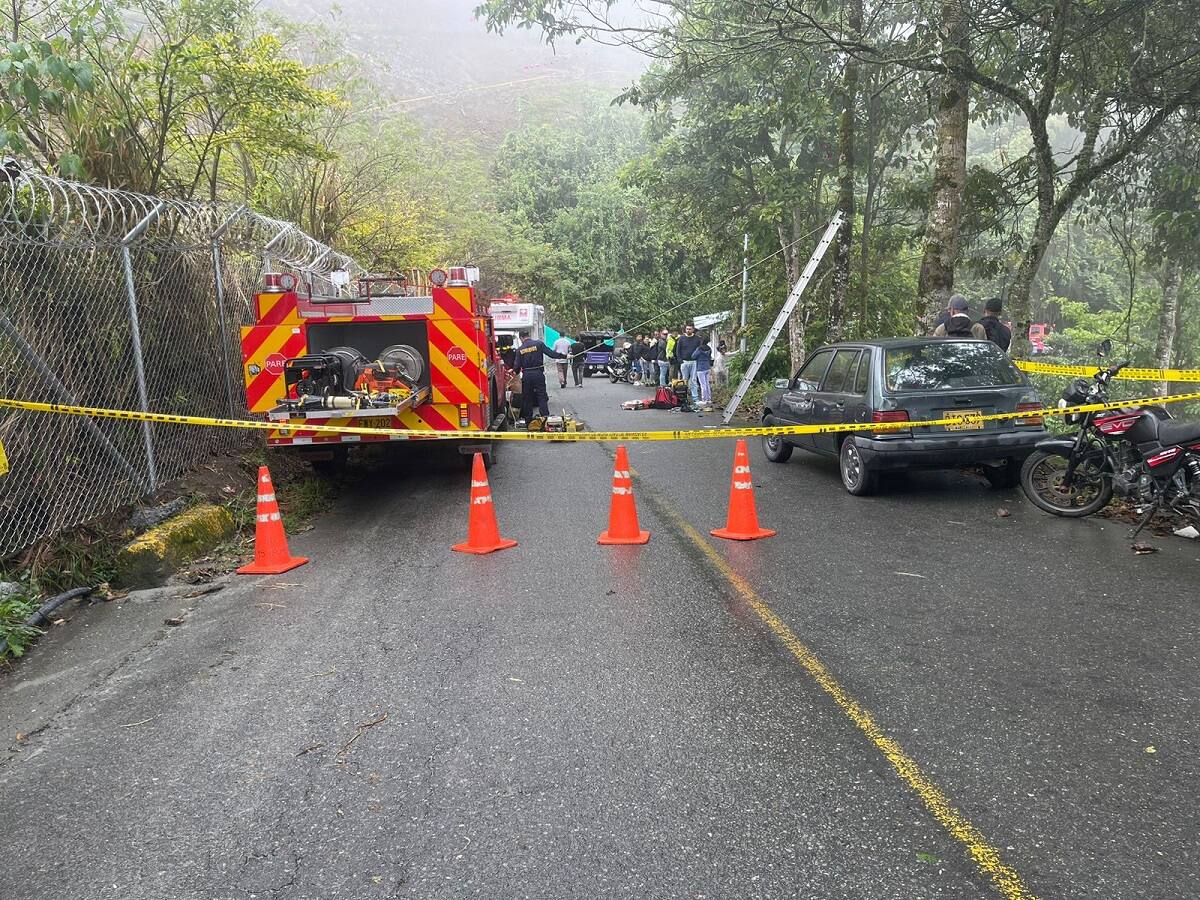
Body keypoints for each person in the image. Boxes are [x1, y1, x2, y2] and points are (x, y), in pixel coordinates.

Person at [512, 329, 566, 423]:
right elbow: (551, 354)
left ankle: (528, 421)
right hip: (538, 374)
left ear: (521, 338)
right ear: (529, 335)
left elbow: (517, 367)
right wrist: (564, 356)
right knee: (542, 396)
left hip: (527, 375)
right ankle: (545, 418)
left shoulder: (520, 349)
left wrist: (514, 372)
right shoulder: (539, 344)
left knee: (527, 398)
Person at [674, 323, 703, 405]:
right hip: (684, 362)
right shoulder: (681, 338)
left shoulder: (697, 339)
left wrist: (697, 360)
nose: (688, 330)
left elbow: (699, 350)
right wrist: (680, 361)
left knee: (693, 380)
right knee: (684, 380)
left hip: (694, 362)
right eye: (687, 329)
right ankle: (684, 398)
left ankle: (695, 398)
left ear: (693, 329)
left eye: (690, 329)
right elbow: (677, 350)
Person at [691, 334, 714, 410]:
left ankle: (704, 400)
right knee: (707, 384)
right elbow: (709, 357)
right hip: (707, 367)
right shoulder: (709, 348)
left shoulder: (699, 348)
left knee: (702, 384)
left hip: (700, 367)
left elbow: (693, 356)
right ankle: (709, 399)